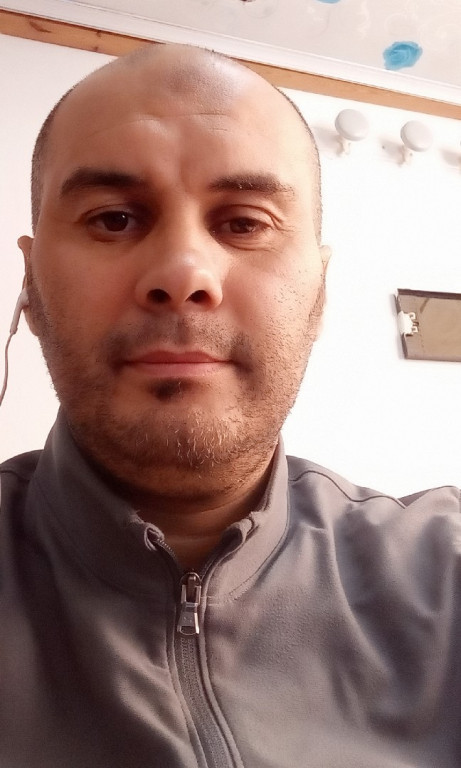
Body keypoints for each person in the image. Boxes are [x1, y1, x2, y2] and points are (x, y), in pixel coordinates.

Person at [0, 42, 460, 768]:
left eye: (244, 223)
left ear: (318, 289)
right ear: (30, 283)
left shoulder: (445, 572)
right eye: (113, 219)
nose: (183, 273)